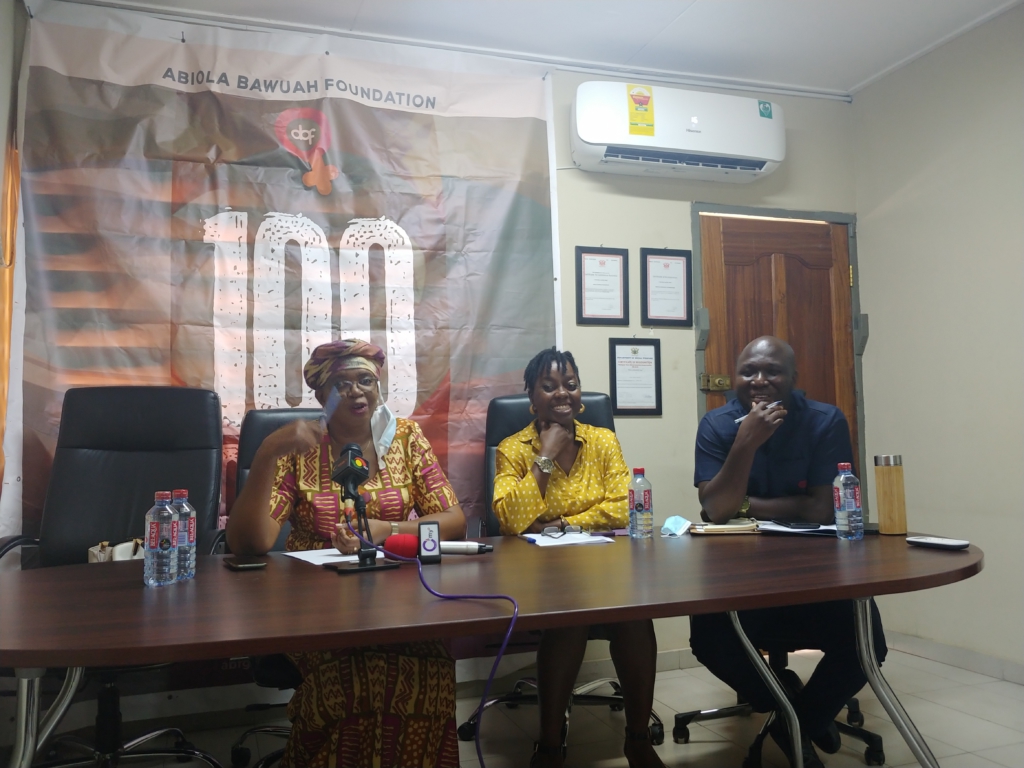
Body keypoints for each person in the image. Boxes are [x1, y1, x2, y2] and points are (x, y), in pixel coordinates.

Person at [227, 339, 466, 768]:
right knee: (362, 680)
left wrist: (387, 530)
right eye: (342, 384)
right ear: (322, 395)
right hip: (313, 610)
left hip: (396, 602)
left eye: (365, 381)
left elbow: (453, 521)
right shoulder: (299, 448)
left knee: (431, 671)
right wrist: (267, 452)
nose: (357, 392)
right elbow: (250, 543)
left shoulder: (406, 438)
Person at [689, 336, 886, 768]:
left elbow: (823, 508)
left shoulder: (825, 421)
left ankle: (797, 720)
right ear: (734, 378)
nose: (759, 380)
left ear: (794, 378)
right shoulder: (717, 425)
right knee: (708, 639)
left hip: (815, 572)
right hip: (739, 574)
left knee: (867, 642)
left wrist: (743, 504)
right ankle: (791, 706)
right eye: (748, 371)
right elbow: (716, 509)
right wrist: (745, 442)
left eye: (772, 371)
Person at [492, 348, 665, 768]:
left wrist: (560, 523)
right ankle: (550, 745)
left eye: (570, 384)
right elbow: (511, 520)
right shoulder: (513, 449)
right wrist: (545, 456)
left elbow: (623, 507)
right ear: (531, 397)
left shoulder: (602, 440)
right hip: (541, 573)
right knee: (568, 618)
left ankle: (638, 740)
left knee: (635, 617)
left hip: (606, 567)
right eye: (549, 386)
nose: (562, 393)